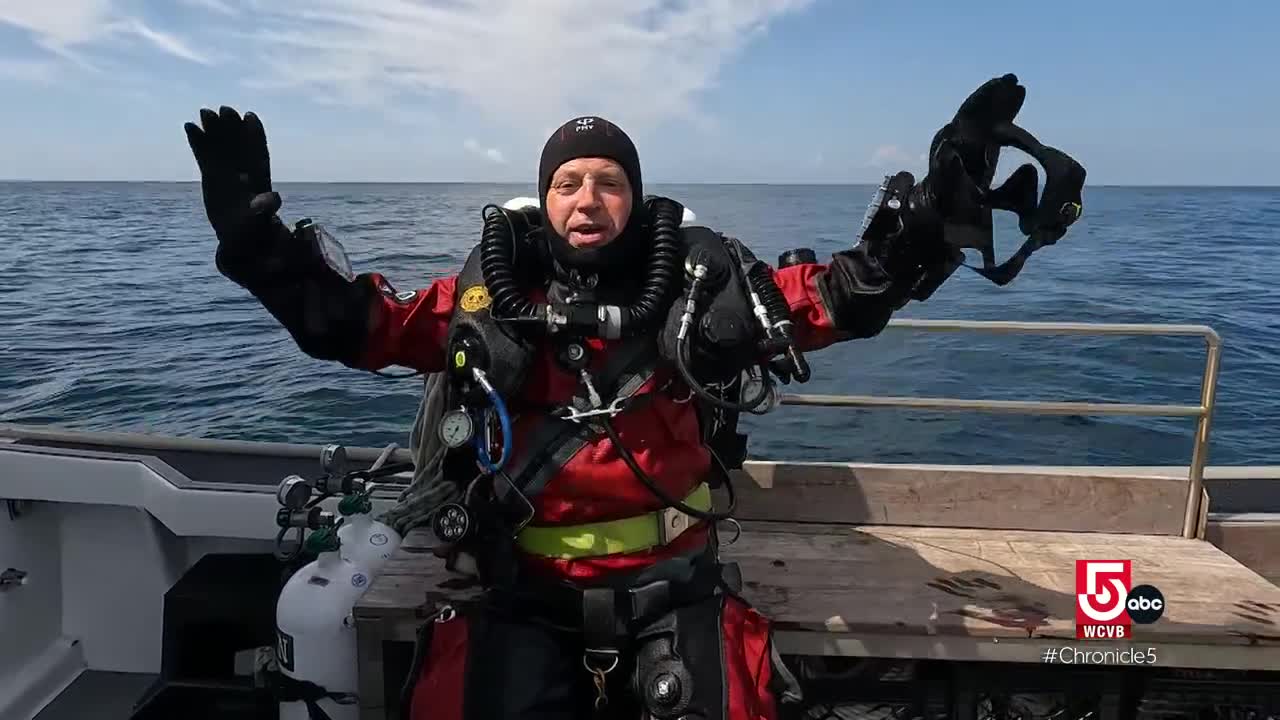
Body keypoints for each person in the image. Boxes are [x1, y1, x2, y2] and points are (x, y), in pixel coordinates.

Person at [184, 73, 1083, 720]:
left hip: (673, 588)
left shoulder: (699, 286)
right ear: (543, 202)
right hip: (522, 590)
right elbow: (358, 325)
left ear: (635, 197)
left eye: (608, 180)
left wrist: (927, 217)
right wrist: (263, 247)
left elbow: (830, 296)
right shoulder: (490, 297)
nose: (587, 197)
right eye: (568, 182)